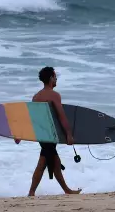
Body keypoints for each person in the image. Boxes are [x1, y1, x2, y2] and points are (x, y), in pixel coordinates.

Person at [15, 66, 81, 196]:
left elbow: (32, 118)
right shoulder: (54, 95)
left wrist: (20, 133)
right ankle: (33, 192)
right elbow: (61, 116)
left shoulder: (36, 97)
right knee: (45, 162)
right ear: (51, 78)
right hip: (50, 134)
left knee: (52, 160)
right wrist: (68, 134)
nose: (56, 79)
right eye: (55, 77)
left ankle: (63, 190)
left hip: (41, 134)